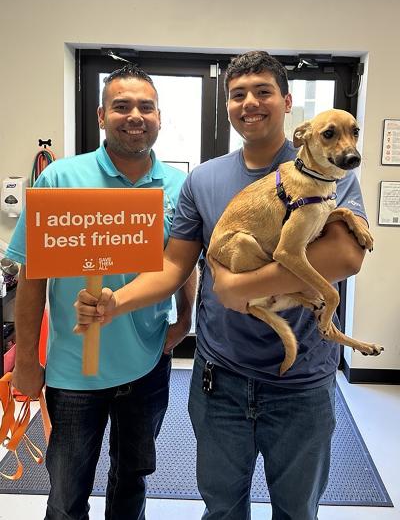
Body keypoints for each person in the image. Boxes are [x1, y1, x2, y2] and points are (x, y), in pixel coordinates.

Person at [75, 51, 370, 520]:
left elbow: (344, 256)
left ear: (287, 101)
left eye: (263, 91)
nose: (250, 102)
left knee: (298, 510)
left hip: (302, 383)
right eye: (238, 94)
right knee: (222, 508)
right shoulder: (205, 179)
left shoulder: (329, 169)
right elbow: (174, 266)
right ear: (228, 104)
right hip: (221, 380)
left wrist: (237, 287)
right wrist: (117, 302)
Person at [6, 64, 196, 520]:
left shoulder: (178, 185)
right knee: (67, 494)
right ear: (100, 115)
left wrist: (184, 321)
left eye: (145, 106)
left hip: (148, 362)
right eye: (122, 106)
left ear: (159, 116)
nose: (135, 115)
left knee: (131, 481)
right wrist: (27, 363)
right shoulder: (59, 180)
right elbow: (32, 283)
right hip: (74, 374)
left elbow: (185, 264)